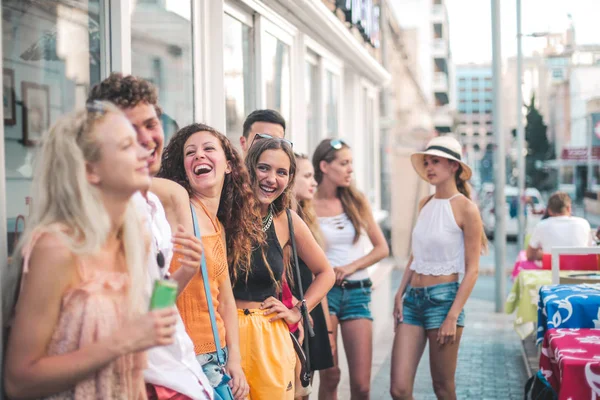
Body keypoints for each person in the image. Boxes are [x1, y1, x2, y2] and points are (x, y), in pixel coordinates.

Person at [3, 102, 178, 399]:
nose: (144, 148)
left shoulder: (135, 239)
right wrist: (124, 340)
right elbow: (18, 382)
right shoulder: (57, 248)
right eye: (126, 145)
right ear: (90, 170)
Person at [88, 73, 213, 399]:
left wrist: (182, 273)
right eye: (131, 130)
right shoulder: (97, 218)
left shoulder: (153, 204)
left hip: (182, 373)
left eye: (150, 123)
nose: (146, 138)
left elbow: (156, 308)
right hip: (140, 383)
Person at [158, 123, 259, 399]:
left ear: (228, 165)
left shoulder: (217, 224)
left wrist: (234, 361)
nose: (199, 155)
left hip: (217, 358)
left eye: (208, 149)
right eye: (190, 152)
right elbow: (128, 182)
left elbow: (225, 301)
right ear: (184, 168)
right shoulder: (178, 203)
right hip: (183, 358)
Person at [232, 138, 335, 399]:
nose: (271, 179)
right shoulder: (226, 216)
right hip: (227, 335)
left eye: (282, 172)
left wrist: (298, 310)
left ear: (289, 180)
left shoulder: (286, 220)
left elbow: (326, 272)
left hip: (270, 338)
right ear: (249, 168)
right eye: (264, 168)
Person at [390, 136, 485, 400]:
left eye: (436, 162)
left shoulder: (467, 209)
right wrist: (400, 293)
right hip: (412, 302)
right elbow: (416, 255)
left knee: (443, 388)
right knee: (398, 389)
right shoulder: (425, 204)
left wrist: (452, 316)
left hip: (443, 303)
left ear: (454, 166)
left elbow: (473, 269)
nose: (430, 167)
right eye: (427, 162)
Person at [312, 138, 389, 400]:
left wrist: (351, 266)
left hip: (358, 292)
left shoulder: (356, 200)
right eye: (344, 163)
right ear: (324, 166)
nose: (350, 170)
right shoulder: (305, 205)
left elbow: (382, 248)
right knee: (331, 376)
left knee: (362, 386)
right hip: (325, 295)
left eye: (351, 164)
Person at [292, 153, 335, 399]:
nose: (314, 182)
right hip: (288, 311)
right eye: (307, 176)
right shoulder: (274, 220)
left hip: (310, 309)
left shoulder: (307, 219)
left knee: (305, 389)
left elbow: (320, 276)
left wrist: (328, 331)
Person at [526, 191, 593, 261]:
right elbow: (589, 250)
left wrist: (542, 255)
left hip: (552, 270)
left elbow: (530, 255)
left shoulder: (541, 225)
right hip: (580, 270)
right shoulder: (584, 223)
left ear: (549, 211)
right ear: (569, 208)